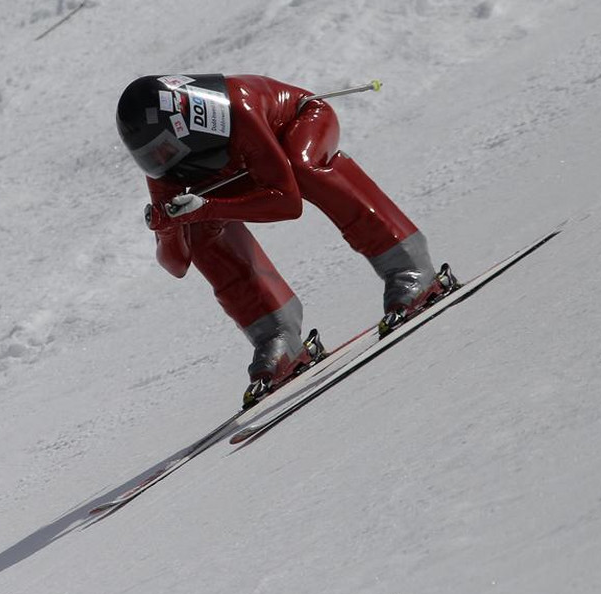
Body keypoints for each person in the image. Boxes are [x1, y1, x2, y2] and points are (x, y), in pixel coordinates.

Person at [116, 73, 452, 407]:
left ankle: (409, 267)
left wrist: (207, 206)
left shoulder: (238, 108)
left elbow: (287, 202)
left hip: (298, 124)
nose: (162, 161)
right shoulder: (166, 167)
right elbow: (176, 264)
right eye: (149, 157)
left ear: (184, 122)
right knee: (200, 230)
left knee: (303, 165)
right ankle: (276, 334)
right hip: (248, 168)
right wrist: (168, 227)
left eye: (164, 148)